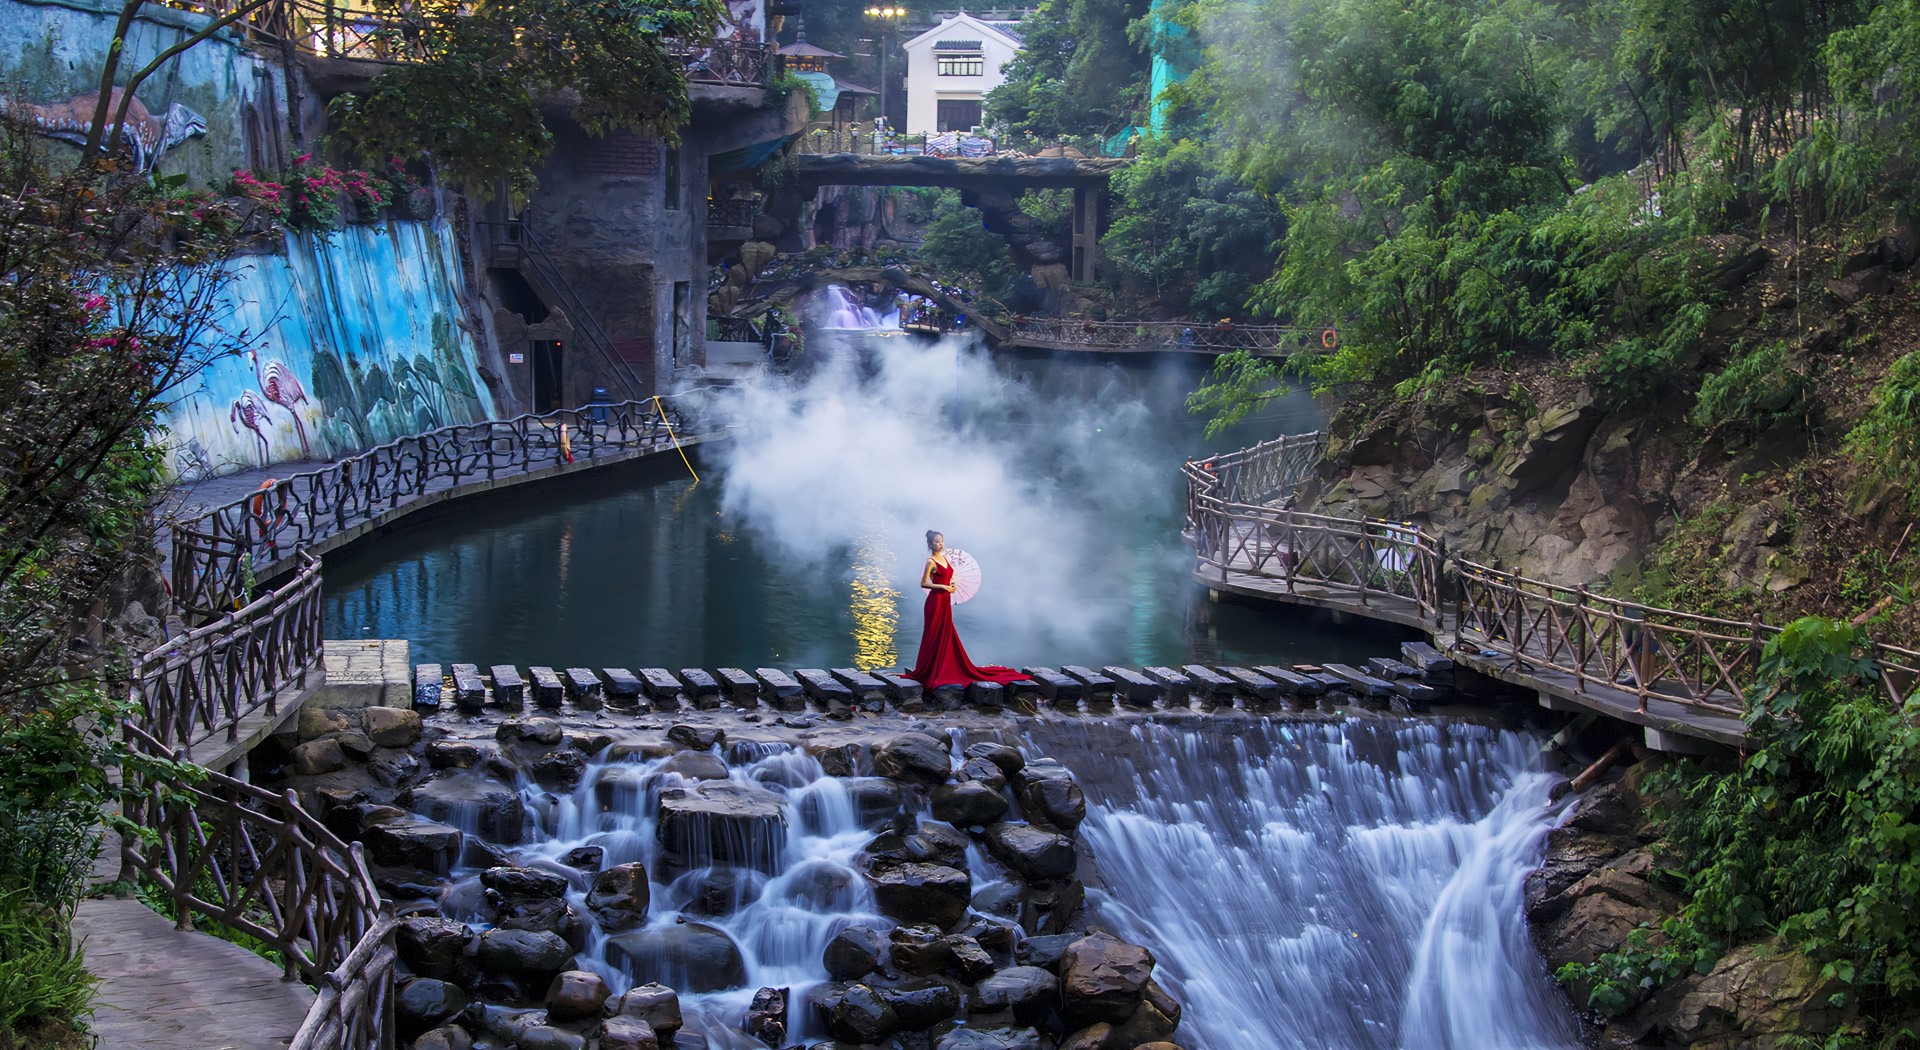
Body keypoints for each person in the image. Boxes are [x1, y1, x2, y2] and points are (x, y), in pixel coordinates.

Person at [906, 530, 1026, 688]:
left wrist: (952, 585)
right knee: (934, 634)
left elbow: (948, 578)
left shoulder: (945, 558)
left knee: (945, 633)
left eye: (942, 541)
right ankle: (931, 670)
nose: (940, 544)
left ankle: (943, 665)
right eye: (936, 542)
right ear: (930, 545)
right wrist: (943, 586)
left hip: (945, 601)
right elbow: (923, 583)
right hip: (935, 601)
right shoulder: (931, 562)